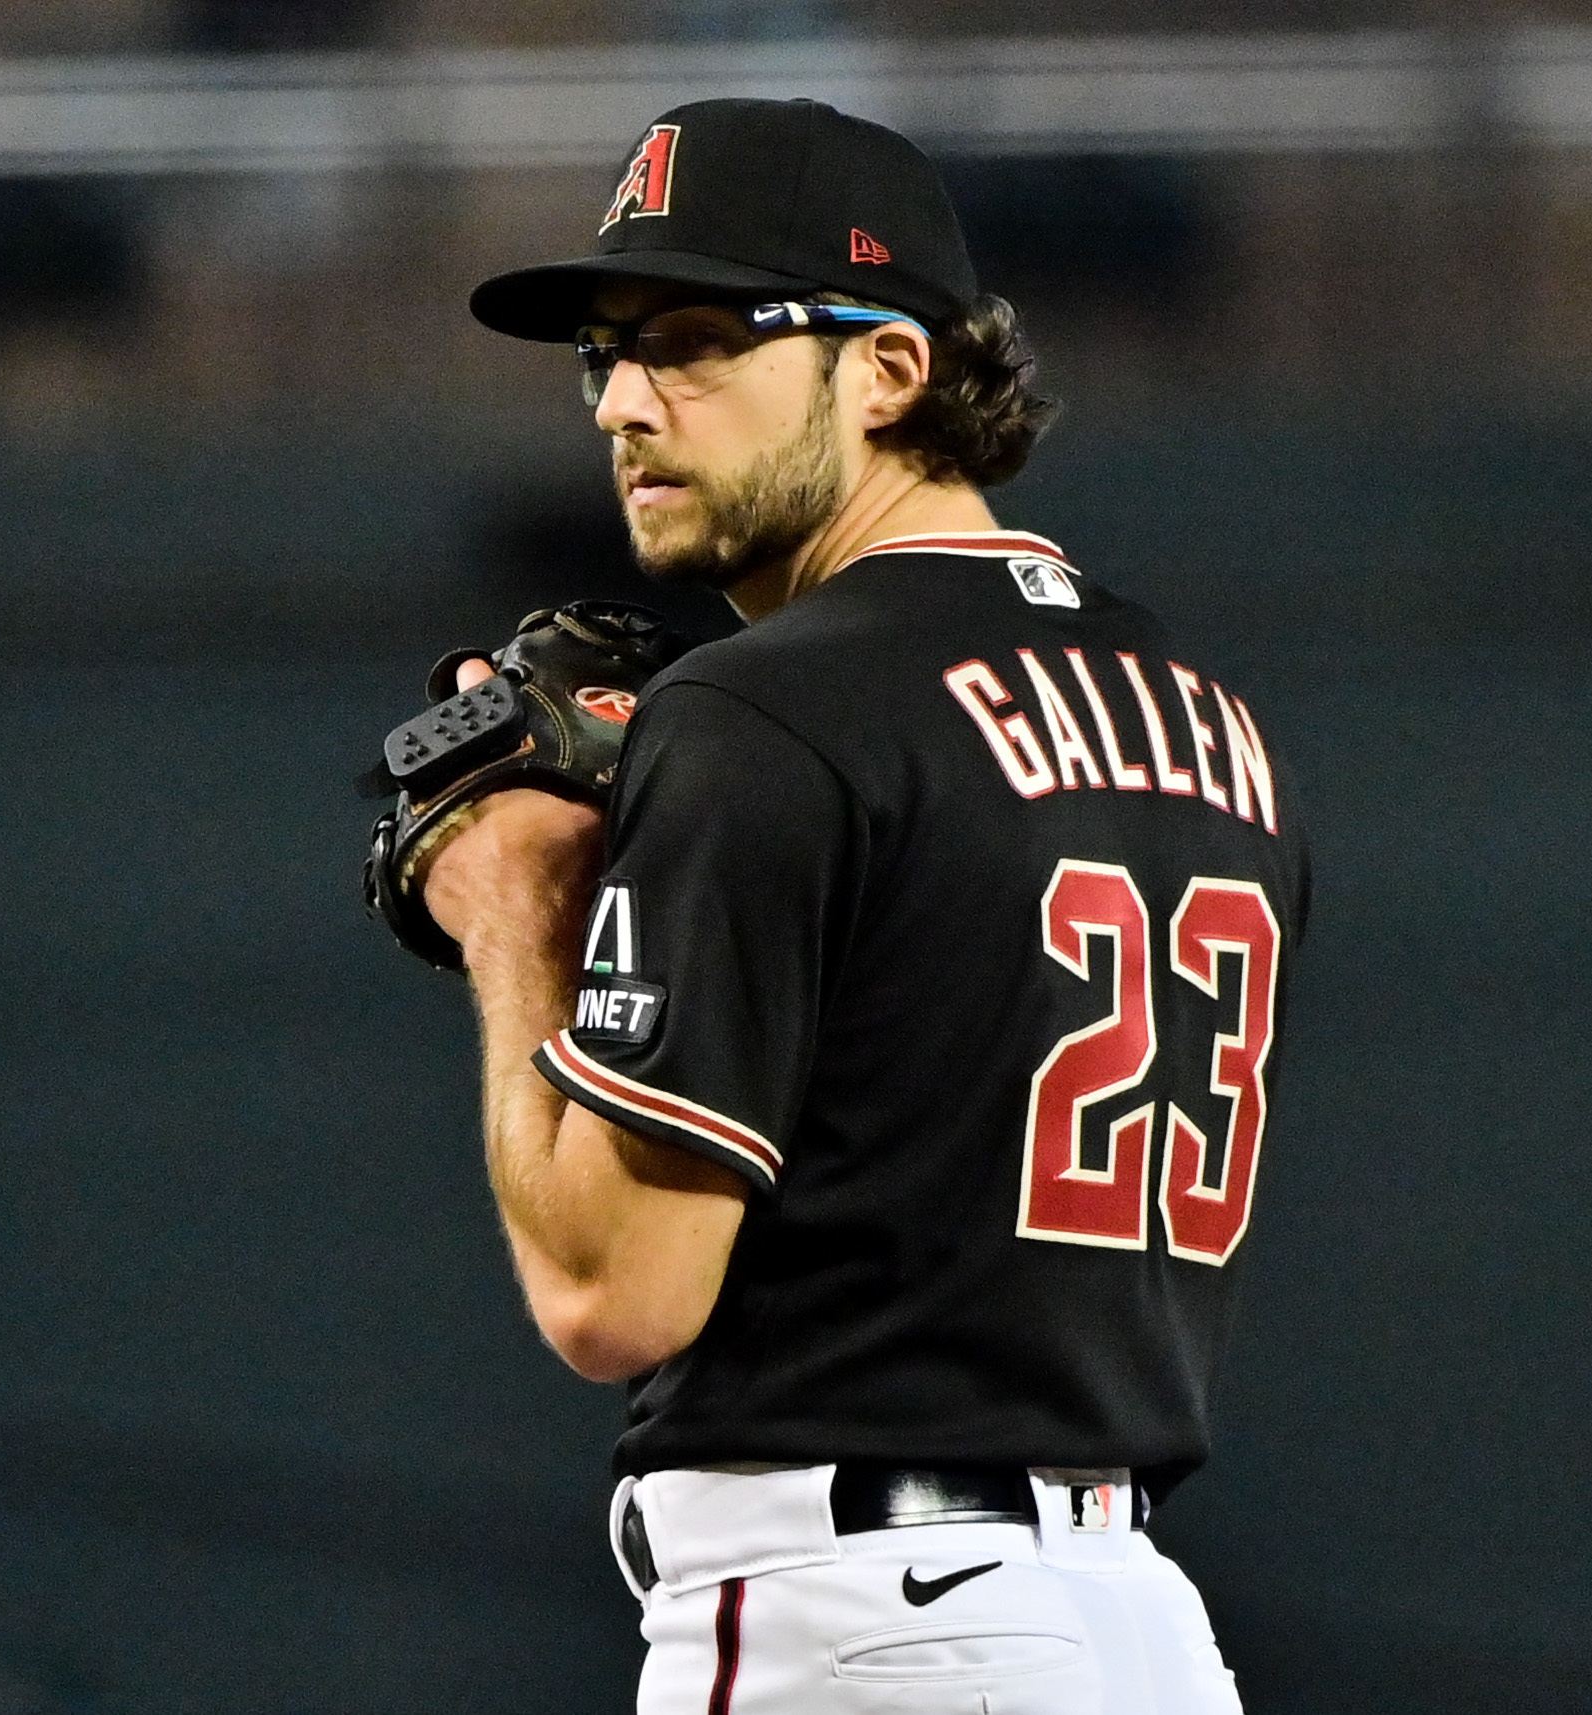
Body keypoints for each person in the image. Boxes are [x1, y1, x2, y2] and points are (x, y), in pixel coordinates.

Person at [422, 96, 1312, 1715]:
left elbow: (609, 1295)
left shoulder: (766, 714)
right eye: (601, 355)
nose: (623, 402)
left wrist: (515, 909)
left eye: (692, 339)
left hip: (867, 1624)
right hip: (1135, 1632)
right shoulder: (1211, 720)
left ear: (892, 367)